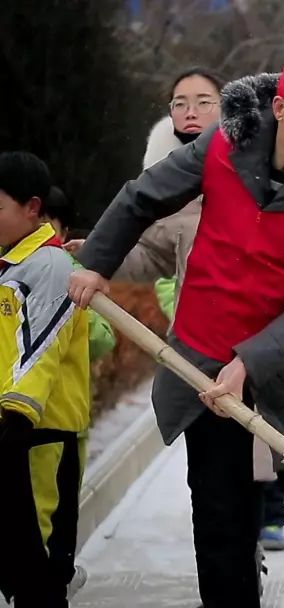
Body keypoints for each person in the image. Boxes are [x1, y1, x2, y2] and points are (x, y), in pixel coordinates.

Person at [68, 54, 284, 608]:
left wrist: (250, 363)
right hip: (205, 353)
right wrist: (95, 262)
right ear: (280, 108)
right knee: (220, 516)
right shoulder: (221, 146)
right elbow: (143, 197)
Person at [69, 66, 284, 553]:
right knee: (216, 496)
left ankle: (267, 528)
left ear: (230, 110)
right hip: (205, 362)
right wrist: (97, 253)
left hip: (270, 354)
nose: (190, 112)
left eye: (203, 102)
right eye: (179, 103)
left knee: (270, 466)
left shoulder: (266, 175)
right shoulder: (170, 188)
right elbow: (150, 256)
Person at [0, 151, 92, 607]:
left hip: (40, 432)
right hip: (11, 430)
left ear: (32, 207)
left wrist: (15, 418)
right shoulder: (10, 266)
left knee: (40, 559)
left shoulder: (51, 266)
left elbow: (43, 350)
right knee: (15, 558)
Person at [44, 186, 116, 363]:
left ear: (63, 234)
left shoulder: (79, 275)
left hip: (59, 386)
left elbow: (102, 340)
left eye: (44, 228)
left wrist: (70, 308)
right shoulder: (7, 270)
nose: (35, 238)